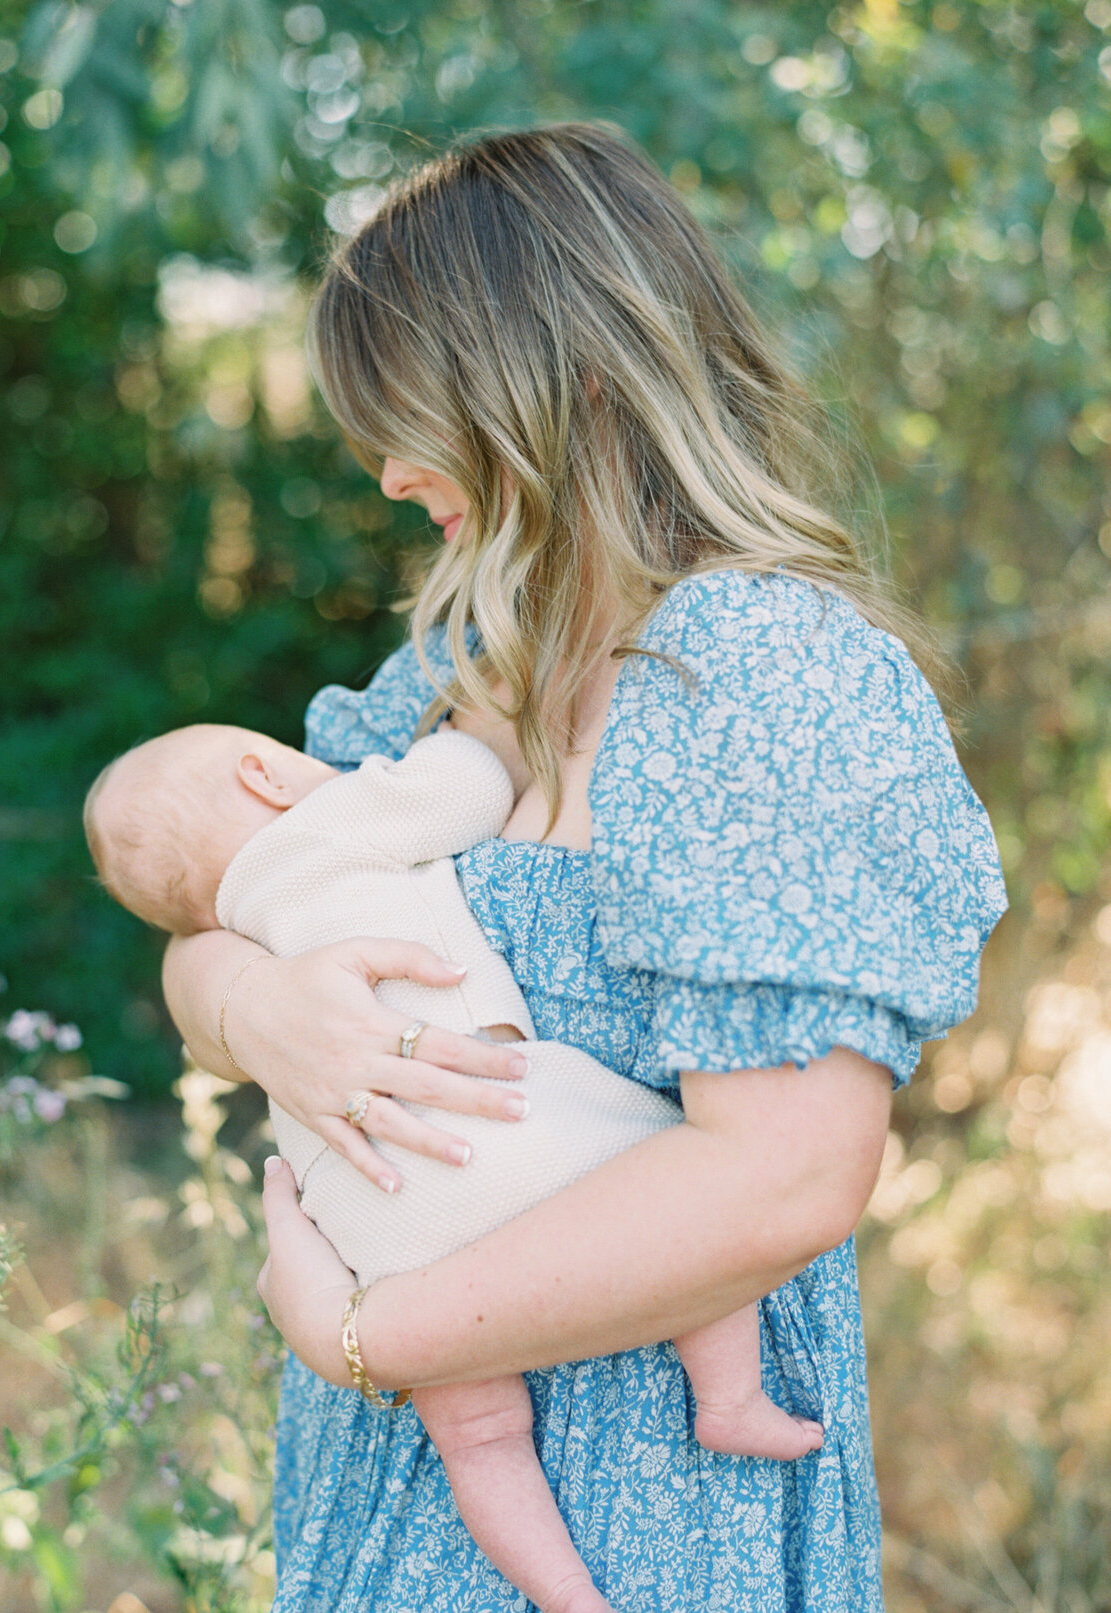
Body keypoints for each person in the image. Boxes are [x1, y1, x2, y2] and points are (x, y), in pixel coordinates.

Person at [161, 122, 1007, 1610]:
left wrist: (368, 1337)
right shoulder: (453, 674)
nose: (386, 475)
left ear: (572, 386)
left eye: (415, 418)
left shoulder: (759, 677)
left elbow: (785, 1179)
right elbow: (222, 898)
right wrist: (247, 1012)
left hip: (647, 1505)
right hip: (398, 1470)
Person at [85, 719, 825, 1613]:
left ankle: (567, 1594)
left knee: (476, 1436)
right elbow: (466, 785)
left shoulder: (239, 921)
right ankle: (728, 1398)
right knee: (705, 1196)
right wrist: (467, 744)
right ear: (264, 773)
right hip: (493, 1139)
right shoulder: (333, 821)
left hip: (375, 1224)